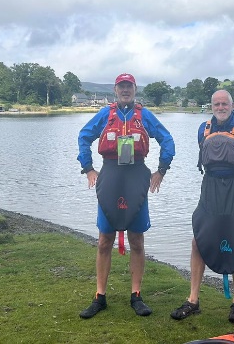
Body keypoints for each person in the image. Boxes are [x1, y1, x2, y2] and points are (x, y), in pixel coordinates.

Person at [77, 73, 175, 319]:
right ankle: (100, 297)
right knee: (104, 239)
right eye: (121, 87)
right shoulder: (105, 115)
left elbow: (167, 140)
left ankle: (136, 295)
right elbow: (83, 137)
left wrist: (161, 170)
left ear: (134, 89)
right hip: (110, 174)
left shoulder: (144, 116)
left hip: (136, 176)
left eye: (129, 86)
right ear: (115, 89)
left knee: (137, 239)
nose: (125, 90)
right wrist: (88, 168)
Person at [171, 89, 234, 324]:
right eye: (217, 104)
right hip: (211, 188)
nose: (221, 107)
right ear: (211, 106)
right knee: (198, 239)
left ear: (232, 105)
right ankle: (193, 300)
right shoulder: (203, 129)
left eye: (225, 104)